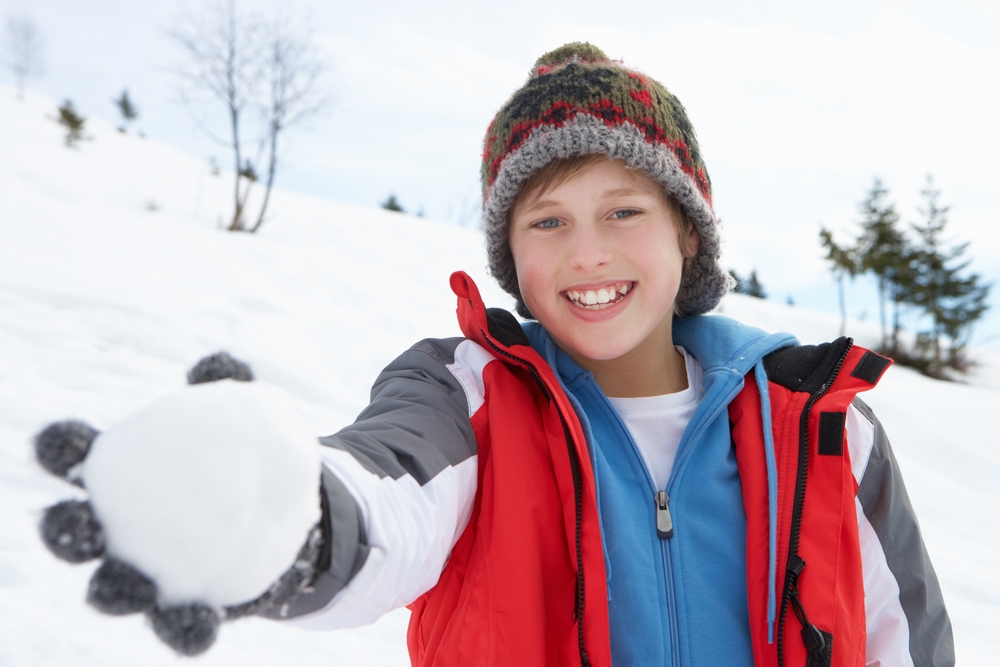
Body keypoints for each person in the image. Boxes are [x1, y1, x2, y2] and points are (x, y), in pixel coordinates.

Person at [37, 43, 954, 667]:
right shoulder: (466, 396)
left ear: (689, 233)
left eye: (623, 210)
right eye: (546, 220)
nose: (586, 252)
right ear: (511, 255)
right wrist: (281, 519)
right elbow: (386, 494)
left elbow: (902, 639)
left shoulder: (821, 429)